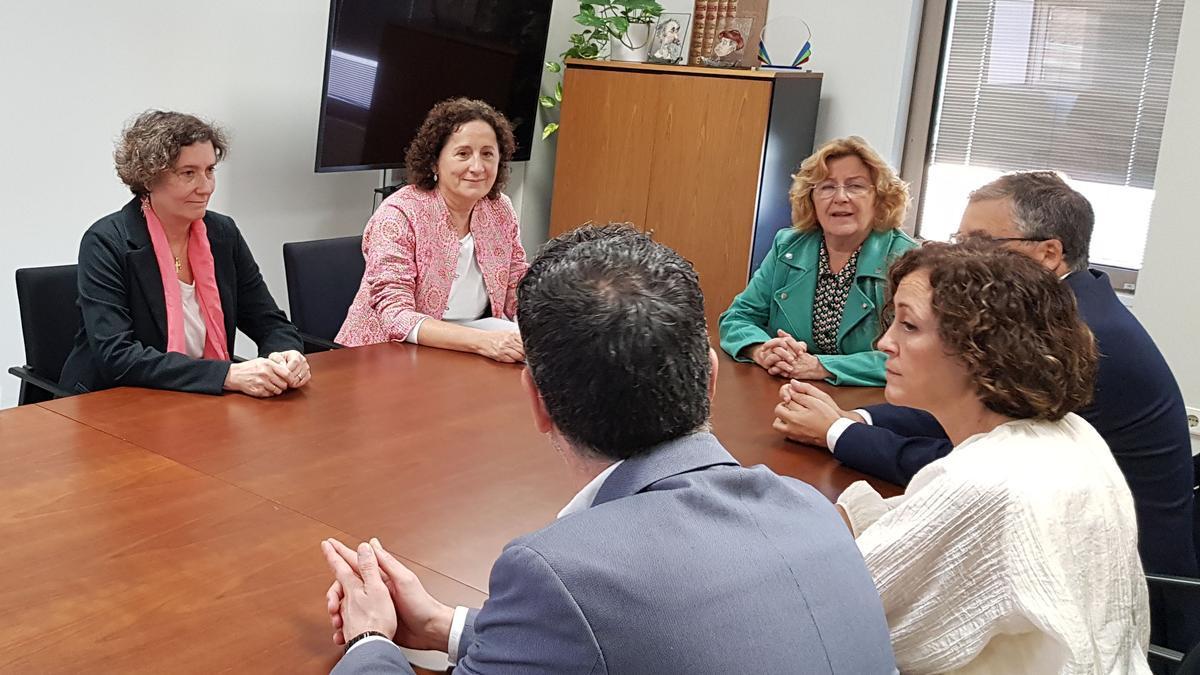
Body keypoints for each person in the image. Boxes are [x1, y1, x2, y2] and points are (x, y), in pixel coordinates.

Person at [320, 225, 896, 674]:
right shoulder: (812, 510)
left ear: (538, 402)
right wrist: (446, 627)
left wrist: (370, 639)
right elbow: (629, 637)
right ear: (711, 377)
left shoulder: (563, 574)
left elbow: (594, 618)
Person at [773, 172, 1199, 597]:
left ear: (1049, 252)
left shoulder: (1077, 337)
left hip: (1118, 583)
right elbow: (966, 407)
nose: (961, 259)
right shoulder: (1071, 308)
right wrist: (858, 416)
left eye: (978, 244)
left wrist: (839, 432)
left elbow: (962, 460)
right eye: (959, 242)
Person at [825, 240, 1150, 673]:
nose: (885, 343)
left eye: (909, 326)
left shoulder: (984, 484)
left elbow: (841, 612)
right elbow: (929, 523)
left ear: (980, 348)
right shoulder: (1072, 433)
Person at [59, 110, 308, 398]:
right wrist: (227, 374)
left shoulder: (223, 234)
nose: (206, 187)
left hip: (198, 397)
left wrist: (286, 355)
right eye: (188, 173)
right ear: (149, 178)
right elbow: (117, 356)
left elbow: (269, 321)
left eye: (210, 170)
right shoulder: (106, 241)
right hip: (113, 403)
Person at [336, 98, 527, 363]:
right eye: (463, 153)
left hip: (469, 351)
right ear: (435, 162)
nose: (477, 166)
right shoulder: (399, 215)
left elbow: (517, 288)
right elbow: (396, 317)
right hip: (385, 356)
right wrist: (484, 342)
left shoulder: (500, 210)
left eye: (487, 154)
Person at [719, 136, 918, 386]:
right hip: (788, 392)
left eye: (855, 186)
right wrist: (762, 349)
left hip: (870, 407)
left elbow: (914, 357)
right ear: (811, 199)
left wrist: (821, 366)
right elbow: (738, 317)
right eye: (826, 187)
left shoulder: (906, 260)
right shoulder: (788, 246)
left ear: (879, 198)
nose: (840, 197)